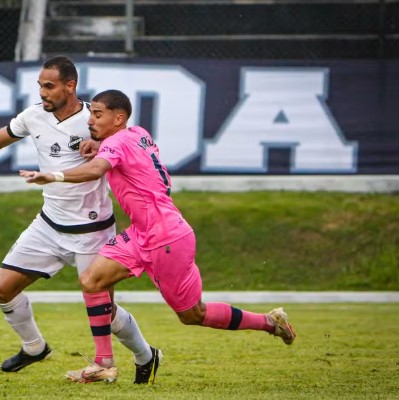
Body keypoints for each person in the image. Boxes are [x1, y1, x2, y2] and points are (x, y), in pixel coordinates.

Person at [0, 57, 161, 384]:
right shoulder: (33, 116)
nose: (42, 92)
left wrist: (100, 143)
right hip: (49, 225)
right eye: (40, 85)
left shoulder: (94, 118)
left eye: (49, 85)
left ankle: (145, 355)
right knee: (1, 289)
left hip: (92, 232)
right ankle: (34, 347)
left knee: (105, 314)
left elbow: (125, 143)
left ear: (70, 86)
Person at [20, 89, 296, 384]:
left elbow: (97, 169)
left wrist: (55, 175)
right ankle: (103, 363)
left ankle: (268, 322)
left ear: (118, 117)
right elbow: (114, 149)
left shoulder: (116, 143)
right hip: (143, 233)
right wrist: (98, 141)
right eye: (91, 113)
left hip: (167, 238)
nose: (91, 119)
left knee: (192, 315)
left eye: (97, 114)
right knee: (91, 280)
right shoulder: (136, 132)